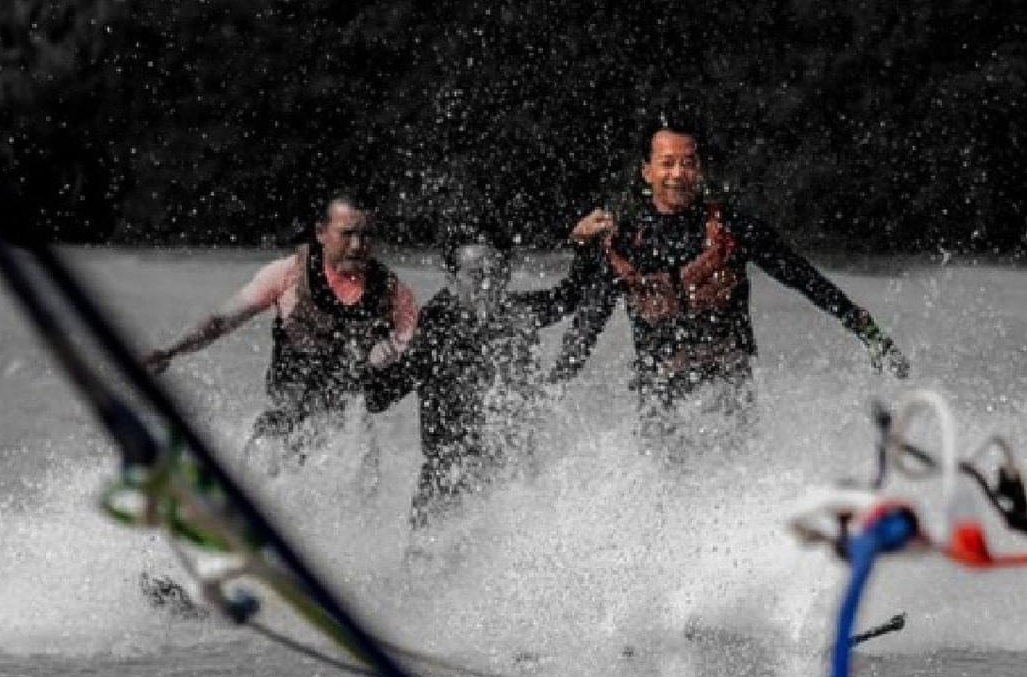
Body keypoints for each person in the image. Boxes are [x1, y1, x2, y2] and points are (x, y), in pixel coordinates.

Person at [550, 125, 909, 445]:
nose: (678, 174)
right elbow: (587, 325)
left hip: (727, 387)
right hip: (658, 394)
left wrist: (868, 332)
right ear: (647, 172)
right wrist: (554, 388)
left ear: (700, 170)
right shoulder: (623, 242)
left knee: (729, 456)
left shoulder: (733, 228)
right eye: (667, 163)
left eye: (688, 163)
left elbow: (805, 279)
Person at [143, 193, 417, 463]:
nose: (357, 245)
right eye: (347, 234)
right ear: (321, 233)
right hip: (282, 422)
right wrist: (170, 351)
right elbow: (220, 322)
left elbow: (411, 357)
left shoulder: (394, 294)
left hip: (346, 437)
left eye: (366, 235)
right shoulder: (287, 275)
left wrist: (388, 357)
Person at [363, 230, 586, 525]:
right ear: (452, 281)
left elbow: (571, 296)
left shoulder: (516, 313)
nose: (488, 285)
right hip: (447, 487)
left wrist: (584, 245)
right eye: (476, 275)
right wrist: (374, 363)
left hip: (509, 485)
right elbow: (377, 399)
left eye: (496, 274)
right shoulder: (432, 334)